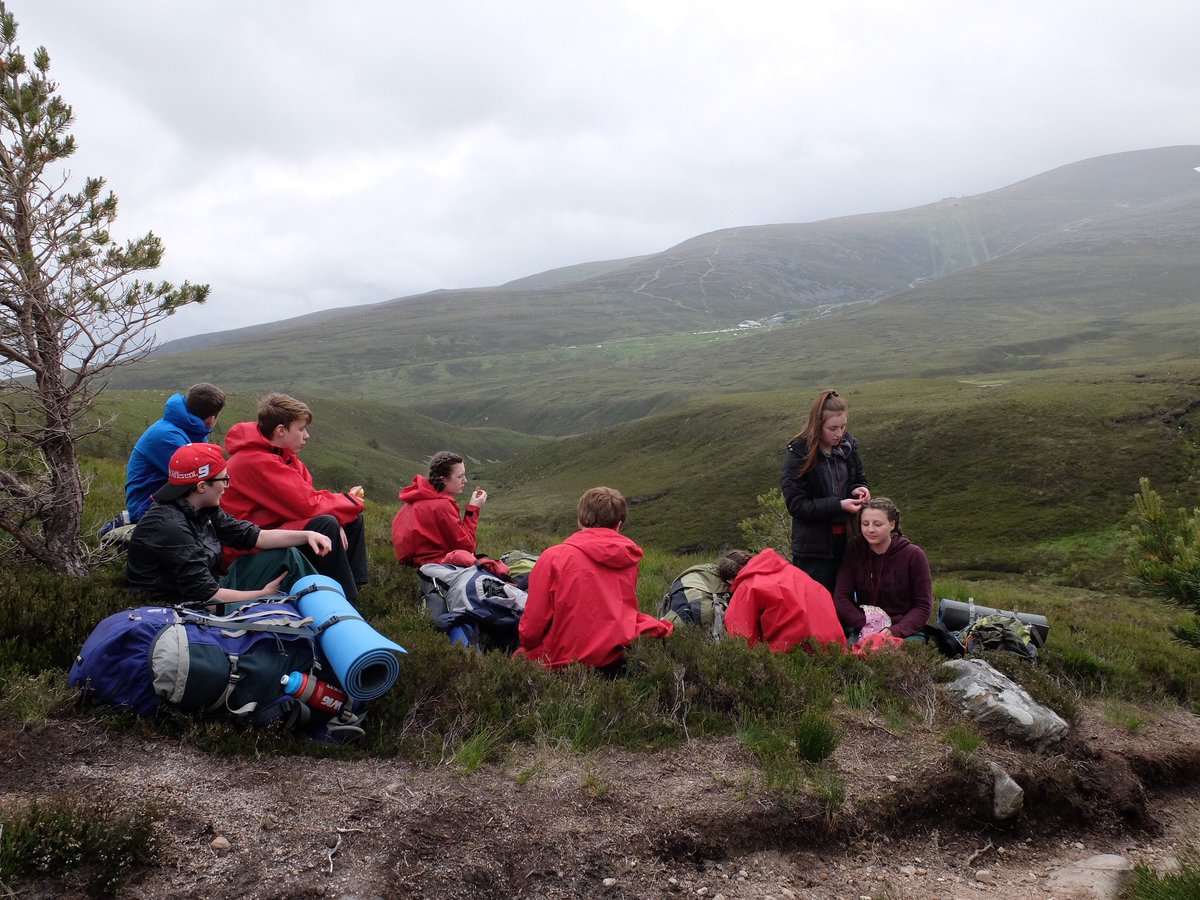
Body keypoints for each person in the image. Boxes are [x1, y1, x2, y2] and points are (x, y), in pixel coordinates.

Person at [126, 443, 334, 608]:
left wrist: (307, 535)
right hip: (182, 608)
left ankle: (335, 611)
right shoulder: (170, 527)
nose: (227, 485)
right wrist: (263, 596)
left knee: (286, 555)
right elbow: (208, 598)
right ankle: (331, 617)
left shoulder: (202, 509)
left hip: (212, 589)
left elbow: (255, 536)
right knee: (285, 566)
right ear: (201, 487)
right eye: (223, 479)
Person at [220, 393, 368, 598]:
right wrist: (350, 503)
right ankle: (343, 600)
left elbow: (307, 495)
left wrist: (343, 514)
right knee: (326, 523)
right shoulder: (254, 460)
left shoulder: (281, 454)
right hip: (247, 547)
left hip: (271, 530)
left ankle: (352, 588)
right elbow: (306, 505)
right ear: (281, 430)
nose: (306, 436)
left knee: (350, 519)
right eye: (301, 429)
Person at [517, 487, 673, 670]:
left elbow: (530, 633)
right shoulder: (629, 559)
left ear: (580, 520)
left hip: (561, 661)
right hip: (613, 655)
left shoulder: (553, 558)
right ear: (619, 525)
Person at [779, 389, 870, 594]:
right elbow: (797, 505)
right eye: (833, 428)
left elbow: (859, 479)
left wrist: (860, 490)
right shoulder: (798, 453)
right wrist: (838, 505)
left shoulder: (848, 446)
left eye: (843, 426)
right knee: (817, 605)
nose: (839, 433)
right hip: (814, 551)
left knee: (847, 603)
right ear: (817, 425)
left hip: (849, 542)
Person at [833, 497, 933, 641]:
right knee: (854, 657)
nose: (870, 529)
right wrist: (865, 624)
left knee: (896, 656)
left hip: (905, 630)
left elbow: (923, 606)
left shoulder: (914, 555)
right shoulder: (854, 550)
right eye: (865, 524)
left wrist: (895, 630)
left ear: (892, 524)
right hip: (864, 627)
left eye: (878, 524)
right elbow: (841, 598)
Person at [124, 383, 226, 523]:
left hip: (171, 504)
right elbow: (205, 480)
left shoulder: (193, 432)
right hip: (148, 509)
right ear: (211, 419)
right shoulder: (168, 437)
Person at [722, 548, 847, 652]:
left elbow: (742, 640)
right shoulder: (789, 569)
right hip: (834, 645)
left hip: (799, 653)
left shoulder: (747, 586)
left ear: (730, 580)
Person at [392, 451, 488, 566]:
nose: (465, 481)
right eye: (460, 476)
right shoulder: (441, 505)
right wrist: (474, 508)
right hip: (433, 567)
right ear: (444, 480)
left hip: (414, 564)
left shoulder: (417, 497)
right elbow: (467, 547)